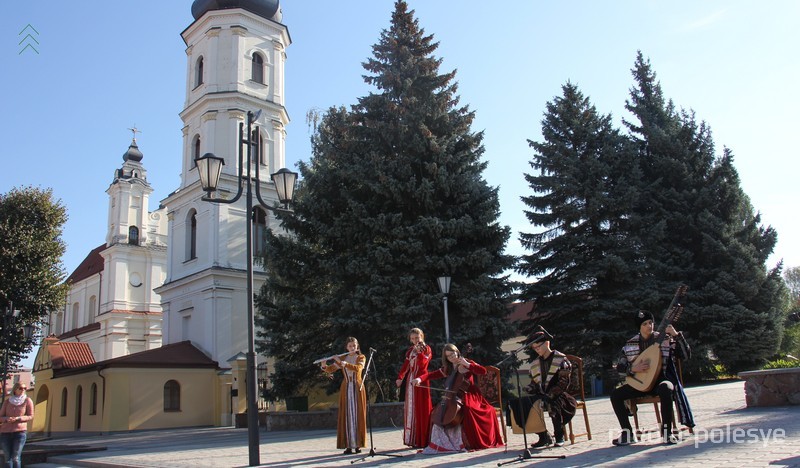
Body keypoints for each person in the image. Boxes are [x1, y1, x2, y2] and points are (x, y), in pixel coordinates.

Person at [609, 310, 693, 446]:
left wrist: (676, 335)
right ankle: (627, 433)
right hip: (640, 383)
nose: (649, 326)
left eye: (650, 322)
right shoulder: (631, 344)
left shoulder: (664, 339)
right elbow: (619, 367)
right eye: (645, 324)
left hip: (660, 381)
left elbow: (685, 355)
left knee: (666, 388)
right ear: (639, 327)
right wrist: (632, 369)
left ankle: (667, 433)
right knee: (616, 395)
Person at [411, 343, 504, 453]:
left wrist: (467, 364)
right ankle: (442, 442)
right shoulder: (448, 368)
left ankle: (471, 442)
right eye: (448, 356)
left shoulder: (466, 362)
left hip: (470, 394)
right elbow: (431, 375)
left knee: (469, 409)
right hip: (454, 396)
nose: (452, 358)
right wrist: (419, 379)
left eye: (453, 354)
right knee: (436, 412)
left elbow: (483, 371)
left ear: (457, 352)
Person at [507, 327, 577, 448]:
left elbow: (563, 383)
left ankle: (559, 436)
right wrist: (529, 388)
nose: (537, 349)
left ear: (547, 343)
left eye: (538, 346)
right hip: (542, 394)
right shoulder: (535, 364)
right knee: (518, 403)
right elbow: (535, 383)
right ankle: (543, 435)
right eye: (534, 348)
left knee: (552, 402)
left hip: (559, 395)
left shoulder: (560, 359)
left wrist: (550, 395)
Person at [320, 336, 367, 454]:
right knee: (347, 415)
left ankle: (358, 445)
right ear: (346, 347)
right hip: (346, 388)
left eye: (354, 346)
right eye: (350, 346)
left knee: (357, 414)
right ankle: (348, 445)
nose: (352, 348)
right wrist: (324, 365)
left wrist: (342, 363)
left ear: (357, 346)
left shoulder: (361, 357)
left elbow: (358, 369)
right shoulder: (344, 357)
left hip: (357, 387)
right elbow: (330, 369)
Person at [395, 327, 432, 448]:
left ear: (422, 337)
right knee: (411, 409)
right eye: (412, 338)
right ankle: (412, 439)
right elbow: (405, 366)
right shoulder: (410, 350)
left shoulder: (426, 349)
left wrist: (419, 353)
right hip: (410, 380)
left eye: (417, 338)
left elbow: (422, 365)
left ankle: (422, 439)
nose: (415, 340)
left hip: (421, 381)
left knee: (421, 408)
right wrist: (400, 377)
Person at [1, 382, 34, 468]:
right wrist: (7, 419)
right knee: (7, 458)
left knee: (15, 457)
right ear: (15, 389)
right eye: (20, 388)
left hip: (20, 432)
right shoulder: (7, 401)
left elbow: (30, 416)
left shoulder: (27, 400)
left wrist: (19, 418)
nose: (23, 390)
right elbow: (0, 416)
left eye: (24, 388)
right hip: (5, 432)